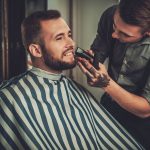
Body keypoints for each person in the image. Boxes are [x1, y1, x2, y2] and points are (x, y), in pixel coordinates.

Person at [0, 10, 144, 150]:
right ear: (36, 50)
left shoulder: (76, 90)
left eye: (69, 35)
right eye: (59, 37)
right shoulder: (9, 97)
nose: (72, 43)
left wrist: (105, 82)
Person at [77, 0, 150, 149]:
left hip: (143, 124)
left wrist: (106, 83)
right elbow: (98, 56)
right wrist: (92, 70)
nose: (114, 34)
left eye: (125, 34)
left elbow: (145, 110)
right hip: (109, 105)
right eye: (114, 26)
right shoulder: (111, 14)